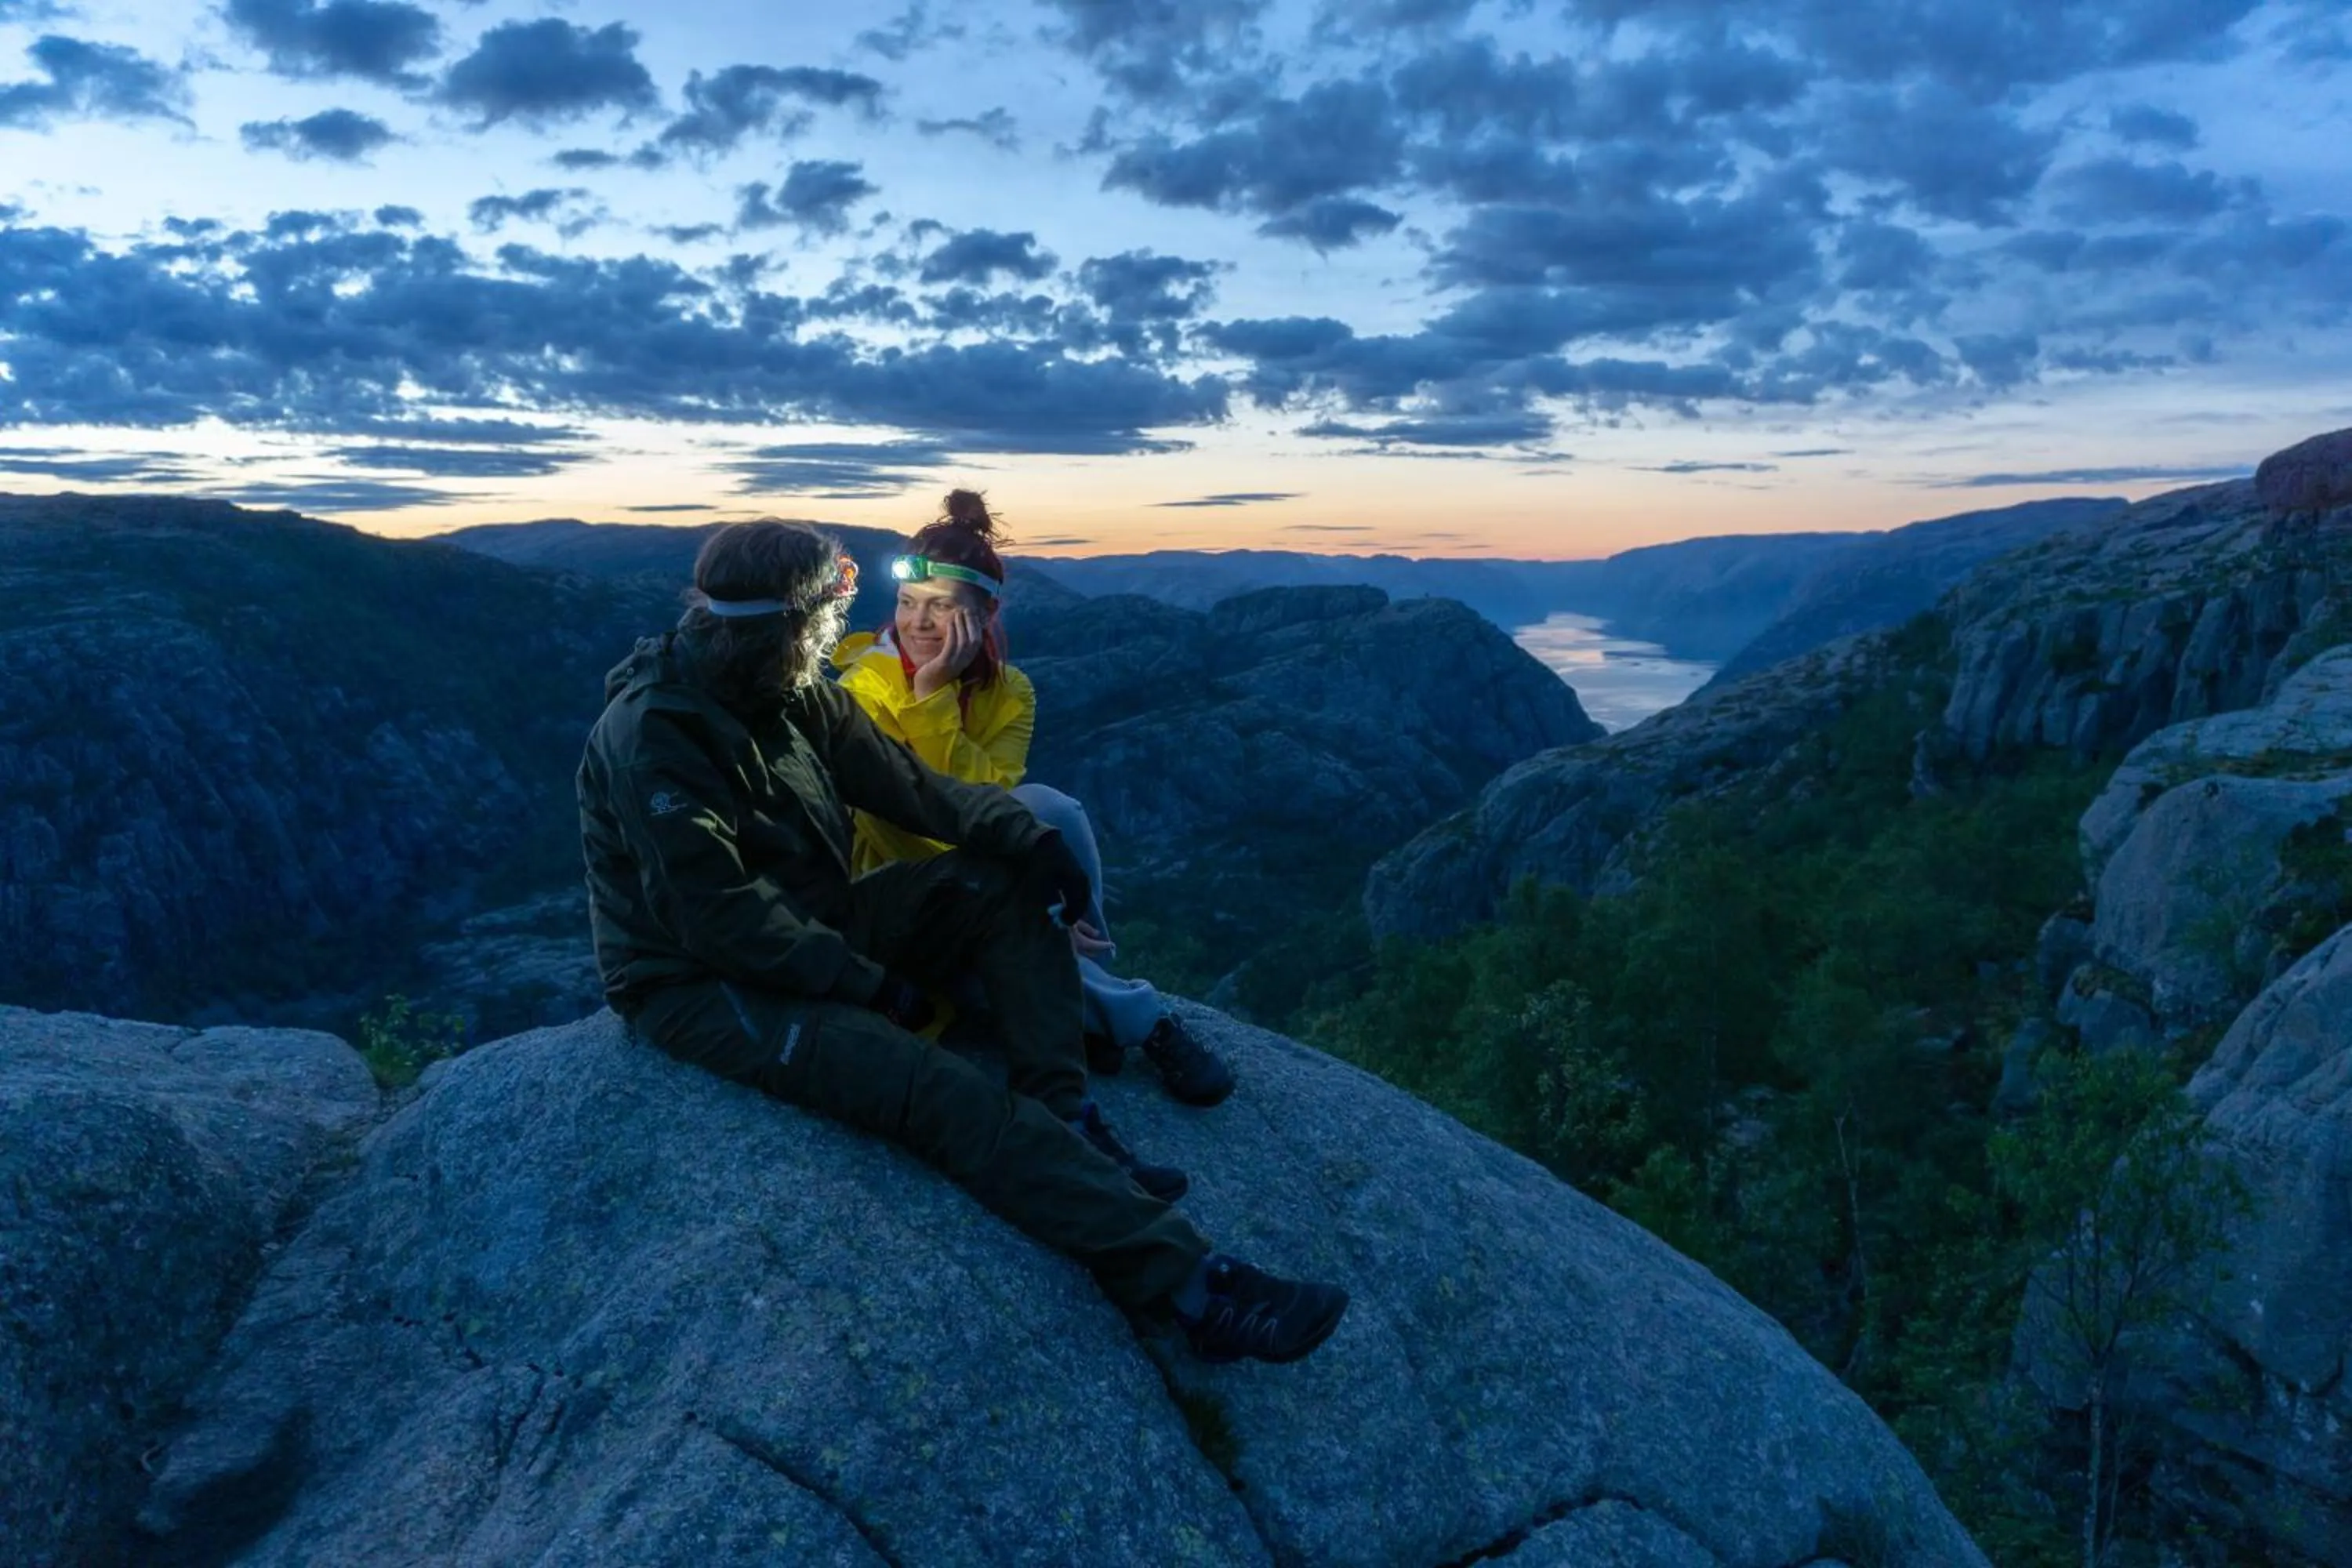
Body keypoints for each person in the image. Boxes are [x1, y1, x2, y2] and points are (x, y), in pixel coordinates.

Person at [575, 518, 1347, 1365]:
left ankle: (1064, 1116)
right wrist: (870, 985)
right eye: (832, 615)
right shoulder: (657, 733)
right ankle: (1195, 1287)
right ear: (791, 624)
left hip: (815, 919)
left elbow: (910, 786)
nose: (844, 630)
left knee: (1003, 885)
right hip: (701, 984)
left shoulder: (784, 688)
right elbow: (718, 916)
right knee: (935, 1090)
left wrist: (1028, 841)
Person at [831, 489, 1236, 1107]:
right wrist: (933, 698)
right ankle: (1141, 1021)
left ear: (983, 615)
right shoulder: (862, 690)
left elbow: (989, 799)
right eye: (908, 603)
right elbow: (919, 816)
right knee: (1000, 964)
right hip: (903, 885)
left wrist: (1045, 906)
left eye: (941, 608)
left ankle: (1087, 974)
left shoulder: (1011, 693)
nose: (917, 623)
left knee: (1051, 806)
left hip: (982, 865)